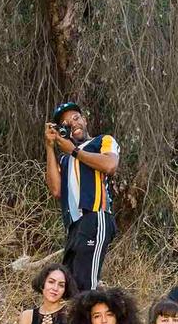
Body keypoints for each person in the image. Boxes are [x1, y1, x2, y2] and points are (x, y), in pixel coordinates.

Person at [43, 102, 120, 291]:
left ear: (85, 120)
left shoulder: (101, 141)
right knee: (69, 287)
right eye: (66, 124)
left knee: (86, 286)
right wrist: (50, 147)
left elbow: (110, 165)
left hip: (95, 216)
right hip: (73, 226)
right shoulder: (65, 158)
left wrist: (74, 150)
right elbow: (56, 190)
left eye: (76, 118)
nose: (73, 124)